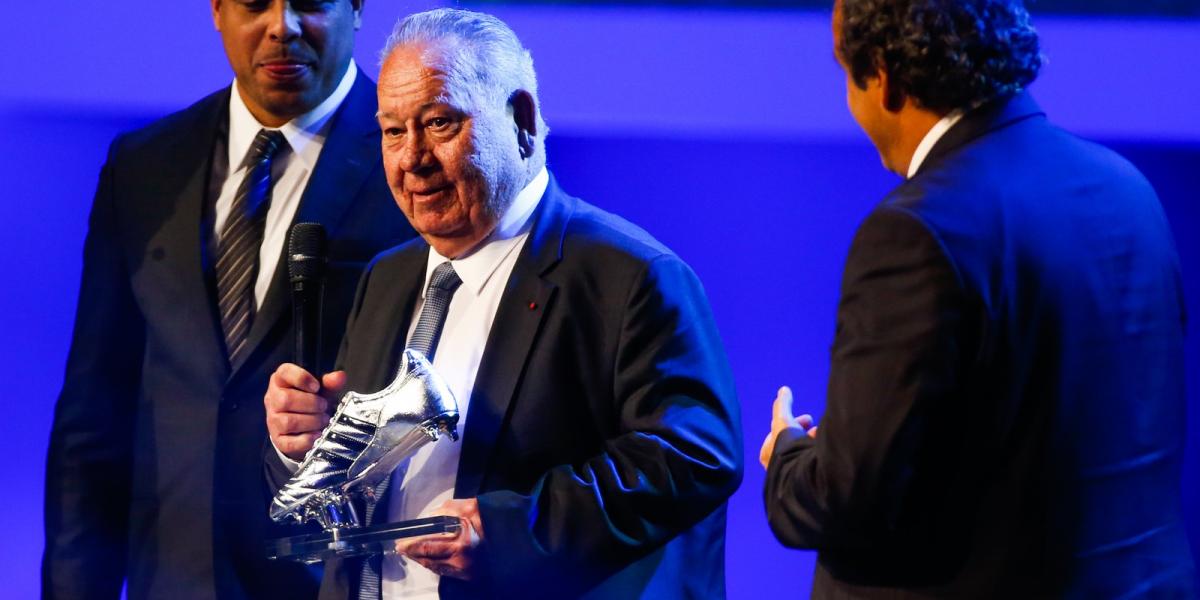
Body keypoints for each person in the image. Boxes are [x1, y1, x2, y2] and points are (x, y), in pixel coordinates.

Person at [264, 8, 743, 599]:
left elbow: (692, 457)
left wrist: (514, 530)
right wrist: (307, 443)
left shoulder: (630, 276)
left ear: (522, 120)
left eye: (438, 122)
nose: (411, 158)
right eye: (392, 130)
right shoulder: (385, 279)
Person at [760, 0, 1196, 597]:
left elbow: (849, 500)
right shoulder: (1126, 188)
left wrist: (787, 457)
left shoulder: (917, 230)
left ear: (883, 77)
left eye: (846, 74)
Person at [42, 1, 415, 598]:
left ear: (356, 8)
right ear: (216, 10)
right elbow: (94, 413)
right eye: (253, 3)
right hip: (170, 573)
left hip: (332, 579)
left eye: (311, 3)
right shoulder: (144, 166)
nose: (282, 26)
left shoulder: (414, 163)